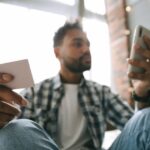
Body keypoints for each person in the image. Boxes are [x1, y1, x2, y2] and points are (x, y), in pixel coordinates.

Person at [0, 21, 150, 150]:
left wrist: (141, 93)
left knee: (147, 117)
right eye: (78, 44)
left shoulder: (101, 92)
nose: (86, 50)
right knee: (17, 130)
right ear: (57, 52)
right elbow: (12, 136)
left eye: (88, 45)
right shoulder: (34, 92)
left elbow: (136, 126)